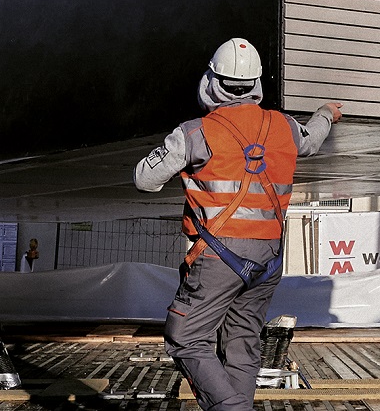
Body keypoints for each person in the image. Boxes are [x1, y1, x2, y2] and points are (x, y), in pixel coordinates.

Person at [135, 38, 341, 411]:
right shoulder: (284, 126)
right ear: (256, 84)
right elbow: (312, 140)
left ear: (211, 81)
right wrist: (325, 112)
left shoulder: (195, 133)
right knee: (242, 340)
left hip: (218, 259)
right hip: (269, 259)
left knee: (186, 336)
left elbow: (145, 179)